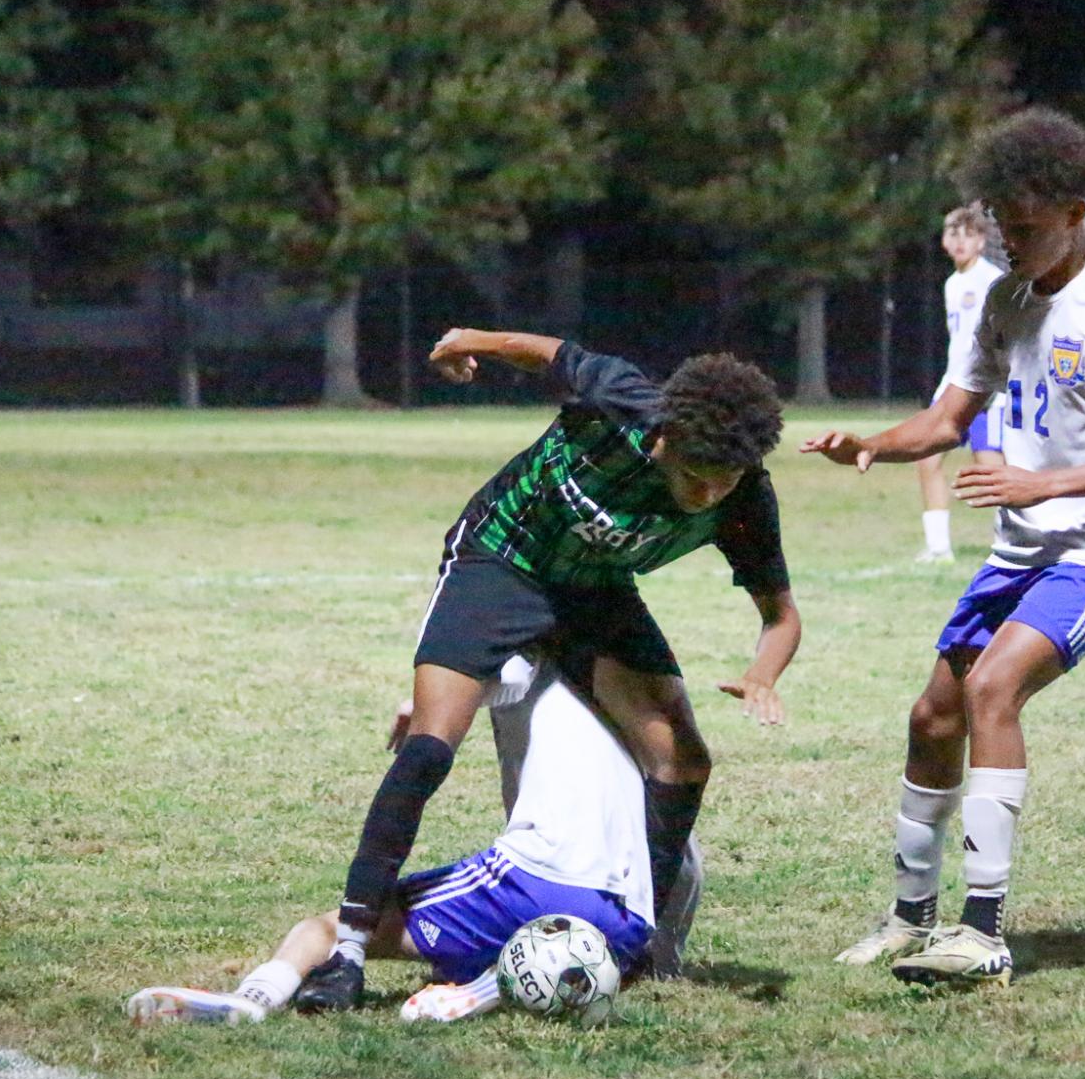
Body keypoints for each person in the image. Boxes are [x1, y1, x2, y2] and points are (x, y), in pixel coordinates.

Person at [804, 107, 1085, 985]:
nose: (1010, 243)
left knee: (992, 689)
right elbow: (947, 420)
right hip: (1020, 549)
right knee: (931, 717)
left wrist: (1046, 484)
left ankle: (982, 932)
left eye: (1025, 229)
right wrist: (874, 443)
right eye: (1001, 225)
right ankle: (909, 917)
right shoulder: (999, 297)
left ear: (1075, 213)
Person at [293, 330, 800, 1011]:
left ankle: (635, 944)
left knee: (682, 761)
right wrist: (460, 344)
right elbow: (547, 352)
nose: (707, 495)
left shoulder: (743, 499)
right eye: (693, 476)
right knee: (428, 748)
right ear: (666, 437)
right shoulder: (622, 399)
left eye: (724, 481)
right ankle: (348, 951)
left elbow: (780, 616)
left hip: (593, 591)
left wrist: (763, 673)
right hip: (500, 557)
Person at [127, 656, 656, 1025]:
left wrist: (424, 702)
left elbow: (487, 676)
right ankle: (499, 977)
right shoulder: (628, 690)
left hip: (531, 882)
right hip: (629, 921)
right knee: (483, 936)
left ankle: (254, 999)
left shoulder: (527, 652)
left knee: (329, 928)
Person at [915, 203, 1009, 564]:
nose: (960, 241)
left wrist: (997, 387)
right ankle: (939, 548)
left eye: (969, 234)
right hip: (954, 388)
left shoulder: (991, 281)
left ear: (982, 242)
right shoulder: (952, 283)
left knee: (990, 471)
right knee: (927, 458)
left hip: (986, 394)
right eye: (953, 233)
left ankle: (1011, 542)